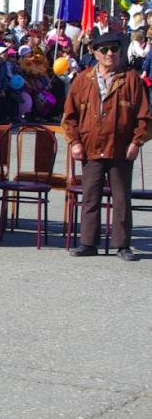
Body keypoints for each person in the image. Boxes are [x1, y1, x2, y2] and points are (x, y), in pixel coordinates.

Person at [63, 32, 150, 261]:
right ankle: (88, 243)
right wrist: (74, 142)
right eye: (105, 50)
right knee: (91, 196)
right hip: (90, 147)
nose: (110, 53)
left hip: (121, 149)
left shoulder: (131, 79)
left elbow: (145, 117)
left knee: (121, 198)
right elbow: (69, 116)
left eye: (114, 49)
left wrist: (136, 141)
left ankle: (122, 245)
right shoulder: (82, 80)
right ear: (94, 53)